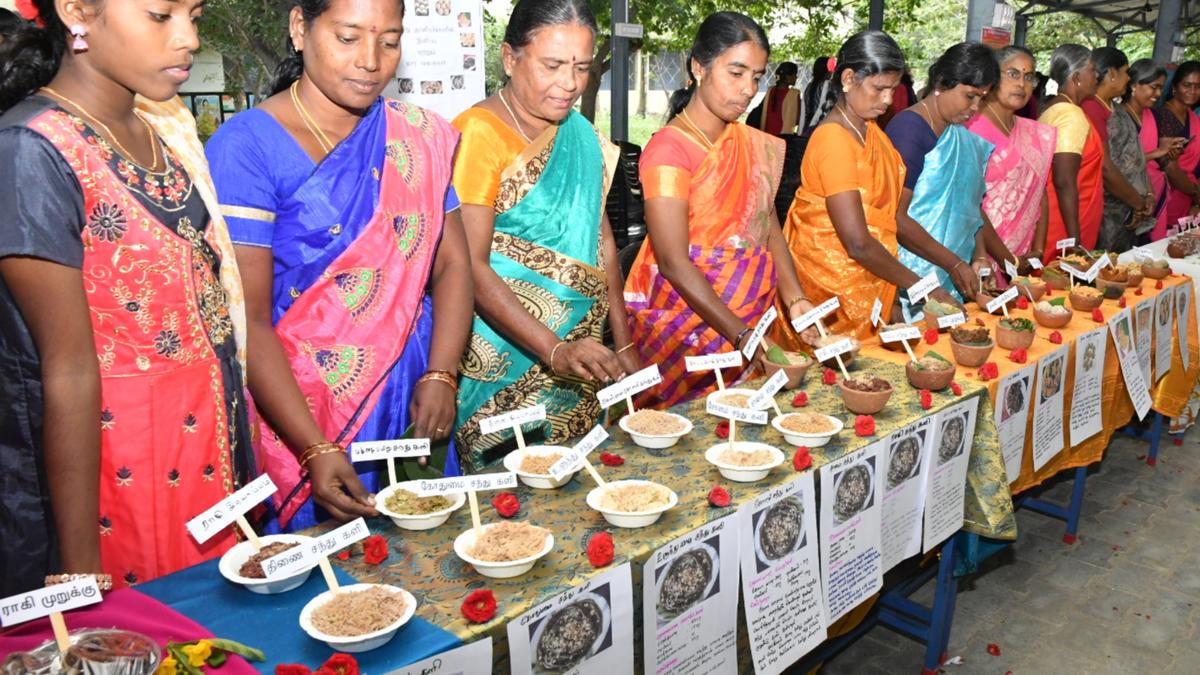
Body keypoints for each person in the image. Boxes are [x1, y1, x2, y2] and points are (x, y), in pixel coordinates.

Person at [0, 0, 251, 592]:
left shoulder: (158, 129)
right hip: (117, 463)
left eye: (195, 14)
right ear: (78, 12)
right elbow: (64, 369)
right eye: (160, 17)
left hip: (208, 439)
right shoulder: (30, 151)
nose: (188, 38)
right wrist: (81, 565)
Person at [206, 0, 473, 530]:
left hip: (414, 390)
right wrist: (313, 446)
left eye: (389, 40)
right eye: (348, 38)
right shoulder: (245, 148)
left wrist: (443, 372)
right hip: (302, 407)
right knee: (331, 586)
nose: (371, 61)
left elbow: (454, 264)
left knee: (432, 566)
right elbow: (247, 320)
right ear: (300, 29)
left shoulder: (417, 135)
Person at [451, 0, 636, 472]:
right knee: (505, 512)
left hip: (582, 358)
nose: (570, 83)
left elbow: (603, 243)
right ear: (510, 59)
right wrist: (553, 348)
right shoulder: (477, 134)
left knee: (576, 493)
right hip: (501, 360)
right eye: (552, 65)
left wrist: (624, 341)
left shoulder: (584, 136)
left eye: (582, 67)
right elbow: (469, 264)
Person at [625, 11, 819, 408]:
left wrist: (796, 298)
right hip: (686, 325)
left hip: (750, 313)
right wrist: (742, 335)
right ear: (699, 68)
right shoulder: (669, 150)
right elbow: (674, 261)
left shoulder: (751, 144)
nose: (749, 89)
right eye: (736, 73)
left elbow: (768, 225)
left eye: (757, 76)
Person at [779, 30, 954, 341]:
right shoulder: (834, 139)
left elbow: (886, 219)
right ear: (848, 78)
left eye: (893, 90)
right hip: (832, 292)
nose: (888, 101)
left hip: (872, 280)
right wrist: (924, 287)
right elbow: (858, 242)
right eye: (879, 89)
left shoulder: (870, 131)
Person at [886, 42, 1015, 312]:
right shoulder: (909, 130)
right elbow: (896, 217)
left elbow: (970, 208)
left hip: (953, 272)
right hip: (912, 274)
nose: (975, 107)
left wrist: (979, 256)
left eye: (982, 98)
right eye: (970, 96)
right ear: (942, 83)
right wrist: (954, 263)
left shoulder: (961, 135)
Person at [965, 46, 1056, 267]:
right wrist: (1009, 260)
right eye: (1013, 74)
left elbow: (1039, 192)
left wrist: (1038, 249)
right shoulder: (970, 129)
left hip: (1023, 256)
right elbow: (968, 204)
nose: (1021, 84)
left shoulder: (1035, 134)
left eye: (1029, 77)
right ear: (993, 77)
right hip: (976, 255)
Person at [1082, 47, 1153, 249]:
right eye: (1126, 72)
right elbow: (1105, 167)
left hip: (1127, 207)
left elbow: (1135, 156)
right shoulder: (1091, 108)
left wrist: (1146, 195)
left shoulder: (1114, 107)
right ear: (1112, 74)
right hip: (1106, 211)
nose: (1128, 79)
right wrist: (1137, 203)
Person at [1104, 59, 1175, 250]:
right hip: (1117, 203)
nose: (1158, 94)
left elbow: (1139, 164)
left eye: (1161, 88)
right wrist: (1156, 153)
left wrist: (1149, 196)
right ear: (1134, 85)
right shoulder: (1116, 117)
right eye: (1154, 87)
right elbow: (1114, 164)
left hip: (1145, 195)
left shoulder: (1154, 116)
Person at [1039, 44, 1103, 258]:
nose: (1097, 76)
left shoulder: (1053, 107)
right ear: (1076, 78)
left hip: (1059, 216)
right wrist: (1075, 239)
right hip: (1064, 223)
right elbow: (1064, 180)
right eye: (1092, 70)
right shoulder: (1071, 115)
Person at [1154, 60, 1200, 233]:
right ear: (1174, 87)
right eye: (1187, 85)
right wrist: (1195, 193)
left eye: (1198, 86)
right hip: (1169, 193)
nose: (1193, 91)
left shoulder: (1192, 117)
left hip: (1188, 194)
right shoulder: (1164, 115)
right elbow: (1168, 165)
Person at [755, 61, 800, 136]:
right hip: (782, 138)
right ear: (788, 77)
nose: (796, 77)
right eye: (795, 74)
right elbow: (796, 120)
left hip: (766, 135)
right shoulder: (794, 94)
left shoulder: (770, 90)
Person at [801, 55, 833, 136]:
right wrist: (810, 128)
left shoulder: (809, 86)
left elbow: (803, 112)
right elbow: (821, 109)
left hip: (807, 127)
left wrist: (801, 132)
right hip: (818, 128)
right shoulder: (826, 84)